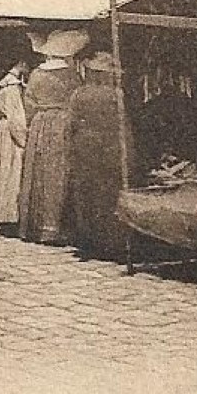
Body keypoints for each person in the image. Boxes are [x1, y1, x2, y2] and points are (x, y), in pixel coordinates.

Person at [17, 28, 88, 245]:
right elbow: (77, 102)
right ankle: (56, 226)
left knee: (38, 172)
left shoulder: (37, 74)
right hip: (62, 124)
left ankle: (37, 226)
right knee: (60, 171)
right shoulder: (72, 75)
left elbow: (28, 103)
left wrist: (34, 122)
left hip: (40, 123)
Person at [66, 51, 127, 258]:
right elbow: (124, 125)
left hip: (85, 147)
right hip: (111, 148)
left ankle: (88, 241)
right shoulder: (116, 95)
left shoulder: (79, 94)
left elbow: (71, 124)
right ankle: (110, 241)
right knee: (109, 194)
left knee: (86, 194)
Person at [0, 60, 30, 231]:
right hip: (11, 132)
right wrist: (24, 139)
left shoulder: (5, 84)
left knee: (5, 170)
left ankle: (5, 214)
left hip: (4, 129)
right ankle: (9, 215)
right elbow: (15, 117)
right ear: (21, 64)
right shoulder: (11, 87)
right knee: (12, 171)